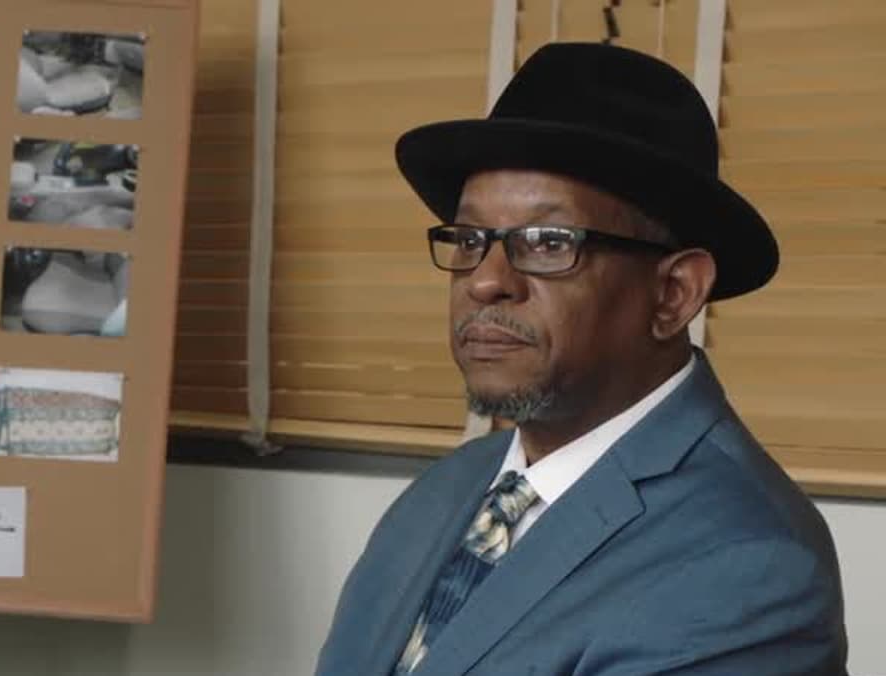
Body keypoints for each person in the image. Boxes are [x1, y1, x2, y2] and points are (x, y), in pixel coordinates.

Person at [316, 43, 846, 675]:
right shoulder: (448, 489)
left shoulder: (748, 565)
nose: (485, 280)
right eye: (470, 239)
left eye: (547, 242)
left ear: (674, 294)